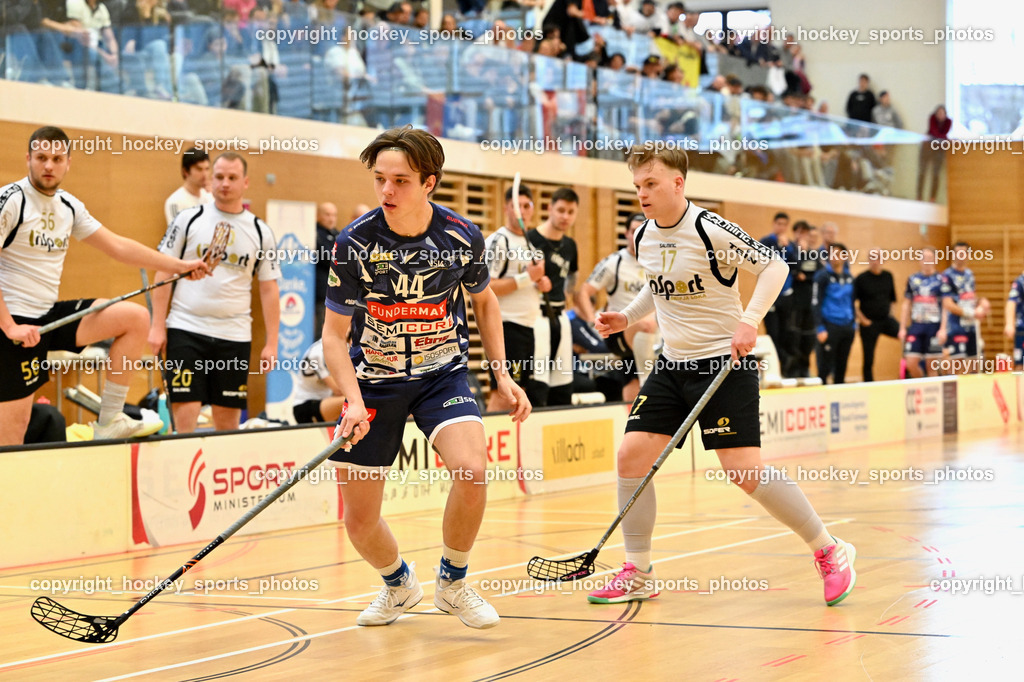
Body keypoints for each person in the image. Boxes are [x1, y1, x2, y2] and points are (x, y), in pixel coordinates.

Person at [588, 143, 856, 607]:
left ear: (678, 182)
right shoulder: (644, 237)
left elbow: (775, 266)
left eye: (650, 184)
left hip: (723, 365)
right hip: (672, 365)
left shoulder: (711, 229)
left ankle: (830, 550)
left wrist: (749, 320)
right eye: (636, 186)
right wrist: (626, 317)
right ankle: (639, 571)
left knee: (744, 473)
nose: (642, 194)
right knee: (631, 457)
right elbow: (659, 289)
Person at [322, 126, 530, 630]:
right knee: (360, 521)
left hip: (443, 375)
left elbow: (485, 301)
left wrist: (501, 376)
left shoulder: (460, 236)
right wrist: (351, 400)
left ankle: (453, 584)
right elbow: (332, 336)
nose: (387, 191)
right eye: (379, 180)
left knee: (472, 470)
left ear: (429, 182)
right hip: (373, 382)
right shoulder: (355, 242)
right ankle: (398, 586)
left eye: (400, 181)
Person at [0, 126, 209, 446]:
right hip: (12, 324)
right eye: (41, 158)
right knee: (13, 435)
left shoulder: (68, 206)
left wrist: (180, 266)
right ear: (28, 158)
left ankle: (110, 419)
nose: (48, 166)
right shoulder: (12, 200)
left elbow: (118, 247)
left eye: (57, 159)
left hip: (48, 319)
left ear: (68, 162)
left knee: (134, 318)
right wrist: (10, 326)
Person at [148, 152, 281, 432]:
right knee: (184, 419)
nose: (224, 183)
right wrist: (157, 325)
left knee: (227, 426)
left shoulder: (261, 231)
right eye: (219, 177)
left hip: (234, 335)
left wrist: (272, 342)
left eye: (232, 178)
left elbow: (269, 289)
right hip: (185, 329)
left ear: (245, 183)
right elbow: (163, 272)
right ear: (211, 180)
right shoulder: (187, 219)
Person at [574, 212, 657, 402]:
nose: (638, 236)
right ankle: (649, 383)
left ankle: (633, 421)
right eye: (634, 231)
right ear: (626, 233)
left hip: (650, 336)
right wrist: (591, 322)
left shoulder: (656, 261)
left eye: (642, 231)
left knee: (631, 375)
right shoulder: (614, 263)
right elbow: (584, 292)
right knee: (646, 326)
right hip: (620, 331)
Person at [484, 184, 551, 411]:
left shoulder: (530, 243)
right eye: (515, 206)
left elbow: (529, 281)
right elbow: (486, 286)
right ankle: (487, 444)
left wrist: (542, 284)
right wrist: (526, 278)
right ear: (506, 209)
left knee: (518, 392)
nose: (521, 211)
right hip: (505, 327)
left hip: (527, 327)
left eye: (526, 206)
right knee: (502, 394)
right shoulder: (499, 241)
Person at [526, 187, 579, 406]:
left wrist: (567, 294)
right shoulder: (530, 239)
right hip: (536, 316)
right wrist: (534, 283)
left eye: (570, 212)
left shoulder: (570, 245)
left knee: (563, 384)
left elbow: (573, 276)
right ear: (550, 208)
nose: (565, 216)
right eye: (561, 210)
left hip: (561, 316)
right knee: (538, 383)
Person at [941, 241, 990, 372]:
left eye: (963, 253)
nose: (960, 256)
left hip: (972, 327)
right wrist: (971, 313)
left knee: (975, 365)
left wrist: (981, 302)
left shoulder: (969, 274)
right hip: (956, 327)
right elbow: (948, 303)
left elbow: (970, 297)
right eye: (957, 253)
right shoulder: (947, 276)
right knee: (958, 367)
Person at [899, 246, 946, 378]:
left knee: (932, 366)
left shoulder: (941, 280)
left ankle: (933, 393)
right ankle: (922, 385)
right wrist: (902, 328)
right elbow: (906, 304)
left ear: (935, 260)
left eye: (930, 258)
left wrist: (943, 328)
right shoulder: (913, 279)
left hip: (934, 326)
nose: (926, 261)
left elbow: (946, 307)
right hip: (917, 326)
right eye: (924, 258)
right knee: (910, 363)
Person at [854, 248, 899, 382]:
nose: (875, 261)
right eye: (872, 258)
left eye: (878, 257)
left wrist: (891, 315)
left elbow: (893, 299)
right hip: (869, 323)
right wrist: (862, 319)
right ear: (869, 260)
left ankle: (907, 370)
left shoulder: (888, 276)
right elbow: (853, 303)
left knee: (906, 335)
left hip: (885, 320)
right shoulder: (861, 279)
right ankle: (869, 383)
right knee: (868, 358)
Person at [812, 243, 855, 384]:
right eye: (832, 254)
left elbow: (852, 302)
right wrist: (820, 327)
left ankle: (839, 401)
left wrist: (854, 323)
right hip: (829, 327)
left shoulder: (849, 277)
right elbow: (815, 303)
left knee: (841, 368)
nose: (835, 257)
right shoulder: (822, 276)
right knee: (824, 369)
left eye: (839, 254)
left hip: (847, 328)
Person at [759, 211, 793, 374]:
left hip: (786, 296)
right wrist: (778, 247)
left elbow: (797, 265)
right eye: (778, 224)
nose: (781, 227)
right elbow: (760, 263)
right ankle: (774, 369)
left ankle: (785, 368)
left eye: (784, 224)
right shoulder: (765, 241)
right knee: (772, 333)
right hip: (770, 295)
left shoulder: (790, 245)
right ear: (774, 224)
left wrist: (787, 248)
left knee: (786, 334)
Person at [786, 220, 820, 378]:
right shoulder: (791, 250)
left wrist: (804, 276)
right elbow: (793, 270)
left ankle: (805, 367)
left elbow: (817, 275)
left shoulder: (814, 254)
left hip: (810, 303)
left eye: (805, 233)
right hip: (795, 302)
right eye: (800, 232)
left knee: (808, 338)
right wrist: (801, 254)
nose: (803, 236)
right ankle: (792, 370)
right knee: (794, 337)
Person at [291, 338, 345, 423]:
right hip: (305, 407)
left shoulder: (343, 349)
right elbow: (338, 390)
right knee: (353, 401)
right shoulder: (317, 352)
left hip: (327, 402)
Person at [164, 147, 212, 224]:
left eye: (207, 169)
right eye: (199, 169)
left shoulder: (210, 196)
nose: (204, 175)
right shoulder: (175, 201)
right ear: (185, 171)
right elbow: (178, 233)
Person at [314, 201, 339, 339]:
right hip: (321, 293)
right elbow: (329, 258)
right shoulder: (315, 235)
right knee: (321, 332)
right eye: (327, 215)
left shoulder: (338, 235)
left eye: (334, 215)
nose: (331, 218)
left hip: (337, 294)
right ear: (318, 216)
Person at [1005, 264, 1024, 369]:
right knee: (1020, 364)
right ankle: (1020, 385)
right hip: (1022, 330)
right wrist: (1009, 324)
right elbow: (1011, 303)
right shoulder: (1020, 282)